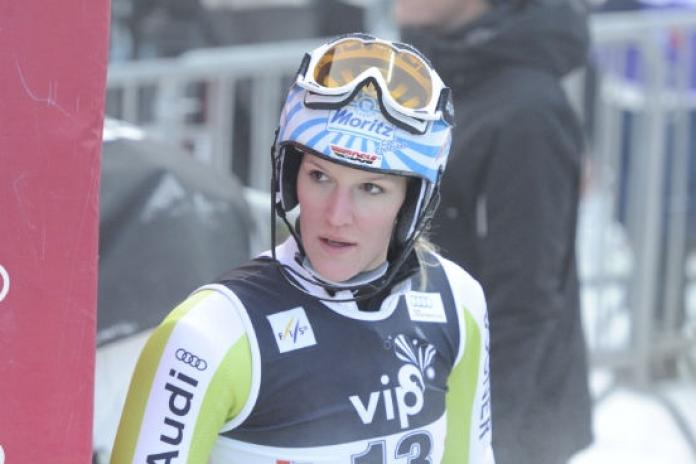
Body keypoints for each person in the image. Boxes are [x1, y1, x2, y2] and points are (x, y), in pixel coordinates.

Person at [110, 33, 494, 464]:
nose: (337, 214)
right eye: (319, 176)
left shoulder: (456, 302)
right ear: (289, 177)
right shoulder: (208, 334)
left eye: (371, 188)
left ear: (411, 204)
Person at [393, 0, 594, 463]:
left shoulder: (529, 110)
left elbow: (525, 301)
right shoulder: (424, 76)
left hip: (508, 418)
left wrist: (487, 442)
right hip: (429, 392)